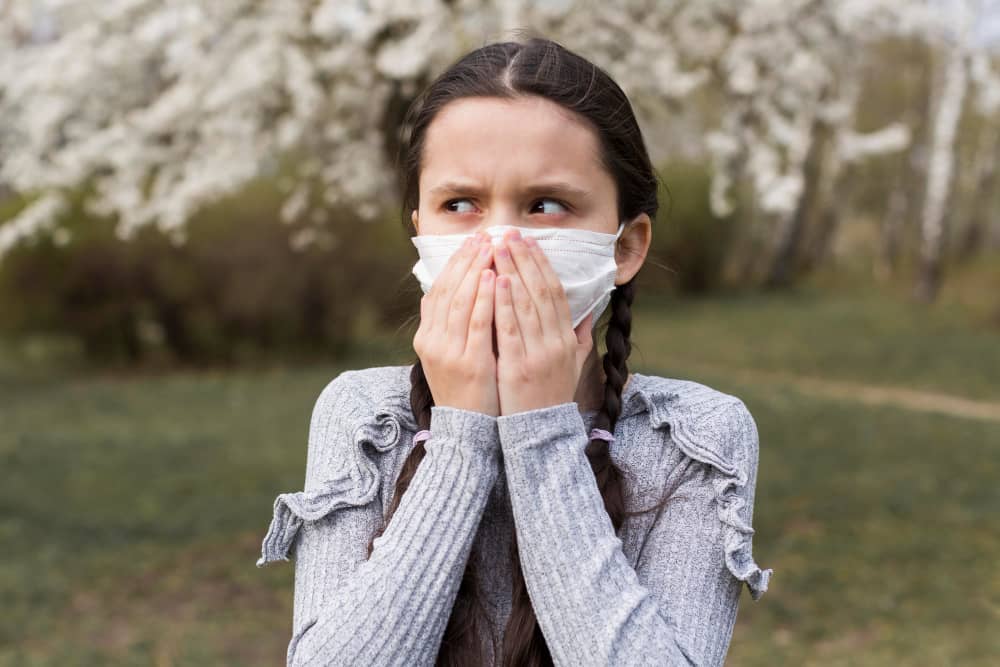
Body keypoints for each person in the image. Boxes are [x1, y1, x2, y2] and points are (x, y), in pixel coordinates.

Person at [257, 35, 772, 667]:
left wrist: (541, 432)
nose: (499, 242)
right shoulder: (366, 418)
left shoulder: (696, 439)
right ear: (419, 230)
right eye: (461, 204)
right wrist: (461, 436)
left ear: (625, 247)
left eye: (545, 205)